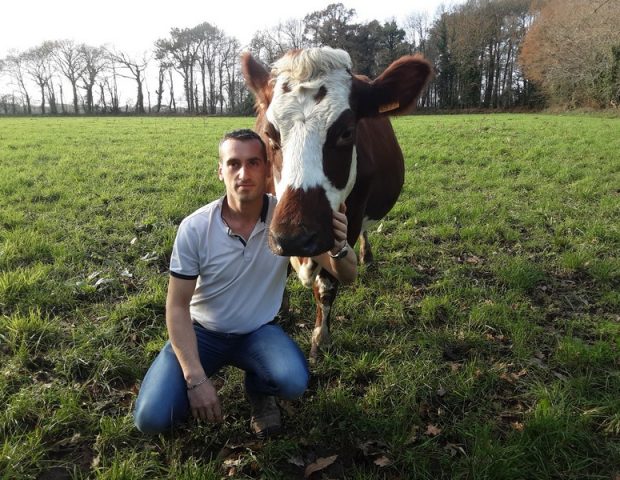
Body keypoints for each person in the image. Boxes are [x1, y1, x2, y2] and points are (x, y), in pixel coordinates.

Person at [133, 129, 357, 437]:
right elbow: (176, 306)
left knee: (292, 381)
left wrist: (339, 246)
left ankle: (258, 389)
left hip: (257, 333)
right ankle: (185, 386)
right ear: (220, 171)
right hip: (202, 333)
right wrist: (195, 379)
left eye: (253, 163)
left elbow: (347, 274)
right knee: (150, 419)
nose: (243, 173)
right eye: (233, 164)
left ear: (267, 170)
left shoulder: (287, 219)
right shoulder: (196, 228)